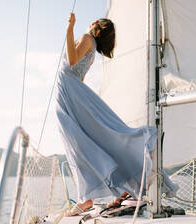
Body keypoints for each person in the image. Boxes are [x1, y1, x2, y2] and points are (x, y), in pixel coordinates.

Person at [55, 13, 177, 216]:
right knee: (85, 143)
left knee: (76, 145)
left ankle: (86, 199)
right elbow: (79, 75)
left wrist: (70, 29)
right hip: (73, 94)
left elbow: (72, 60)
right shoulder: (92, 48)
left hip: (69, 93)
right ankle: (87, 197)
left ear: (94, 25)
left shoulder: (86, 39)